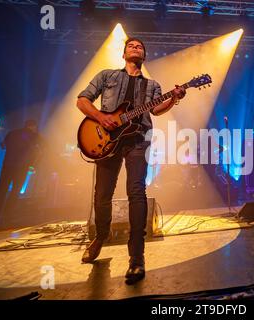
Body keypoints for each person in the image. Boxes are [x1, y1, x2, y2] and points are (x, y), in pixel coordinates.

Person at [76, 37, 186, 284]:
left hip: (138, 140)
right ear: (124, 53)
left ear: (144, 55)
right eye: (131, 46)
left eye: (140, 46)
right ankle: (101, 236)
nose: (136, 48)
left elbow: (156, 110)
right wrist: (100, 118)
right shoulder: (107, 76)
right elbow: (82, 100)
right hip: (106, 141)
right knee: (102, 194)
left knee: (137, 192)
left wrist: (175, 97)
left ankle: (137, 258)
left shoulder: (152, 85)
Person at [0, 119, 42, 223]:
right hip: (21, 168)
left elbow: (2, 146)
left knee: (1, 190)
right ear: (33, 126)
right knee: (15, 191)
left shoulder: (12, 133)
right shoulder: (34, 136)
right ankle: (8, 215)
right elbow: (40, 150)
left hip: (7, 166)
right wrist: (33, 165)